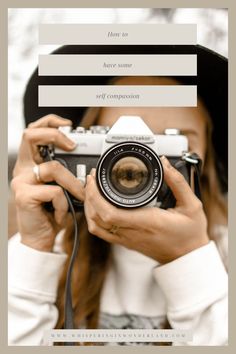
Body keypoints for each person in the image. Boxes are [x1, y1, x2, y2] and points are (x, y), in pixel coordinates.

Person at [8, 45, 228, 346]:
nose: (143, 162)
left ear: (202, 159)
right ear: (82, 148)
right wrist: (33, 248)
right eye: (121, 141)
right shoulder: (46, 251)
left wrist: (190, 259)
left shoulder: (226, 255)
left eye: (173, 140)